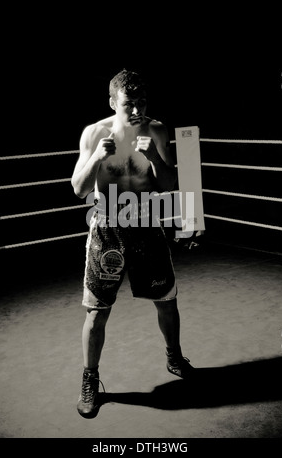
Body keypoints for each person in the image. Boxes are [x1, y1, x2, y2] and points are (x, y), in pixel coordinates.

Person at [71, 68, 194, 418]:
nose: (137, 109)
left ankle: (174, 356)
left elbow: (169, 184)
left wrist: (154, 157)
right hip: (108, 228)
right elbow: (79, 189)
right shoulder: (95, 133)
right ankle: (90, 379)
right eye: (129, 103)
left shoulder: (156, 130)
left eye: (142, 102)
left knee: (167, 301)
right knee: (96, 312)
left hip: (146, 225)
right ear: (113, 102)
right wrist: (97, 156)